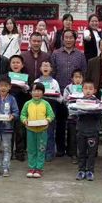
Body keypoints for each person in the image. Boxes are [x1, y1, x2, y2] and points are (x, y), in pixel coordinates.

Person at [51, 29, 87, 157]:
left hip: (76, 96)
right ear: (62, 39)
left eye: (71, 37)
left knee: (74, 123)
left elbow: (84, 72)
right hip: (60, 93)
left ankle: (72, 149)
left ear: (75, 39)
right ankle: (60, 148)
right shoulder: (55, 54)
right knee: (60, 122)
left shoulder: (80, 55)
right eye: (66, 37)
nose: (68, 40)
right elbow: (52, 72)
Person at [71, 81, 102, 181]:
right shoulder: (78, 102)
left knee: (91, 153)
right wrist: (78, 112)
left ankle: (90, 171)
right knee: (81, 152)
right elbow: (73, 113)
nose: (88, 91)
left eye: (90, 89)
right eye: (86, 88)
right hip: (81, 131)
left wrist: (97, 110)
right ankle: (81, 170)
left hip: (93, 131)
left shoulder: (98, 102)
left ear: (94, 90)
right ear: (82, 90)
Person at [20, 82, 55, 179]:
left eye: (39, 90)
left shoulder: (46, 104)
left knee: (41, 149)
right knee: (31, 150)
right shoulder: (27, 104)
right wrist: (24, 120)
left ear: (43, 93)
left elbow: (51, 115)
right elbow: (23, 115)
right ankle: (31, 168)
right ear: (31, 92)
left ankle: (39, 169)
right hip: (30, 130)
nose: (36, 93)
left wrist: (47, 120)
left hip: (42, 131)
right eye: (34, 90)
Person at [0, 75, 19, 177]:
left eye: (6, 85)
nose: (3, 88)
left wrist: (12, 116)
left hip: (7, 129)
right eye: (1, 85)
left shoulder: (12, 99)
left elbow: (16, 112)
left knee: (7, 148)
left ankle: (6, 168)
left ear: (10, 87)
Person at [34, 60, 61, 161]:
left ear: (51, 69)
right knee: (38, 131)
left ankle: (49, 153)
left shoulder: (54, 82)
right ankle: (39, 153)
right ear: (40, 68)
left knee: (49, 132)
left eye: (47, 66)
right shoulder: (37, 81)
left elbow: (59, 97)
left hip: (50, 108)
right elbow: (32, 94)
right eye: (43, 66)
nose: (45, 67)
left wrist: (52, 95)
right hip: (38, 108)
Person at [8, 55, 30, 162]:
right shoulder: (6, 77)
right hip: (8, 109)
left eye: (18, 62)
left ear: (22, 65)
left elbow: (29, 93)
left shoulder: (26, 77)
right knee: (9, 131)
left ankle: (20, 152)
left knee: (20, 131)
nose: (15, 64)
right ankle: (8, 152)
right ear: (10, 65)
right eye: (13, 62)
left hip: (21, 107)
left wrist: (25, 88)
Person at [63, 69, 84, 164]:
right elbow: (65, 100)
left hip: (83, 117)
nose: (78, 79)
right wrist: (71, 99)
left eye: (80, 77)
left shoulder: (85, 87)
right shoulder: (68, 88)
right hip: (72, 116)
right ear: (72, 78)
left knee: (82, 136)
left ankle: (82, 154)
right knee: (72, 136)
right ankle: (73, 154)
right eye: (76, 77)